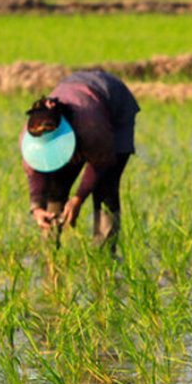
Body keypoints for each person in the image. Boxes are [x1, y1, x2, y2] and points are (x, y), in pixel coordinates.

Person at [21, 70, 139, 252]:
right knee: (56, 187)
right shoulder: (30, 137)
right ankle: (50, 253)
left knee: (105, 188)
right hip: (76, 90)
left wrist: (78, 199)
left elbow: (102, 162)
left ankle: (105, 255)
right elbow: (35, 173)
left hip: (113, 104)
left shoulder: (91, 126)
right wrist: (36, 208)